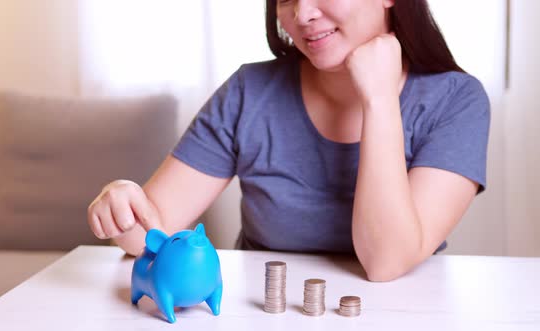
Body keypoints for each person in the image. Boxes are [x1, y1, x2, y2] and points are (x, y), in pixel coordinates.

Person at [87, 0, 490, 282]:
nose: (302, 14)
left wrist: (379, 99)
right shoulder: (249, 91)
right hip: (264, 312)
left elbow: (386, 263)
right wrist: (121, 201)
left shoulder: (457, 101)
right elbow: (148, 232)